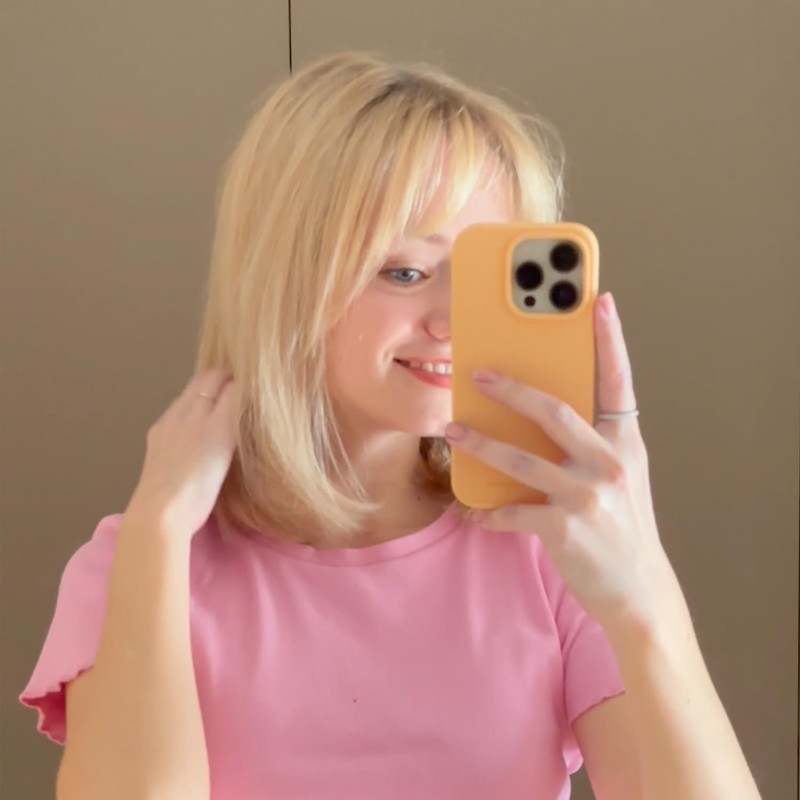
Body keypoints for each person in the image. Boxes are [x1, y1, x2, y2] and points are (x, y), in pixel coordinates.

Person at [19, 51, 761, 800]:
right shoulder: (138, 561)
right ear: (286, 279)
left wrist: (645, 597)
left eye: (484, 275)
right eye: (405, 272)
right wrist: (160, 529)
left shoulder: (548, 548)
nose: (453, 321)